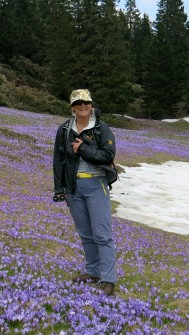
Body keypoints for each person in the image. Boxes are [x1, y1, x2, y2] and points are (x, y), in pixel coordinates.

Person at [52, 89, 118, 296]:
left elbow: (108, 155)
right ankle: (92, 272)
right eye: (78, 102)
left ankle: (108, 279)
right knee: (86, 234)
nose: (83, 106)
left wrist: (83, 149)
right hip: (74, 187)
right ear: (72, 106)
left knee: (102, 234)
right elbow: (58, 160)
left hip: (96, 184)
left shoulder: (100, 128)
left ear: (91, 104)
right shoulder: (64, 129)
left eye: (86, 102)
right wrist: (59, 188)